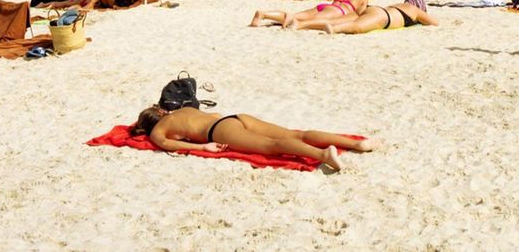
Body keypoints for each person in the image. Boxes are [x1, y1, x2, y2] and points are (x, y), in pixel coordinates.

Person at [131, 105, 379, 173]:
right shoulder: (182, 111)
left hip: (217, 131)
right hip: (234, 116)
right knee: (296, 133)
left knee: (271, 147)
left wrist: (204, 146)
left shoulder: (156, 131)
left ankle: (323, 155)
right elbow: (214, 113)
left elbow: (168, 144)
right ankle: (357, 144)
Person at [316, 0, 439, 34]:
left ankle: (306, 24)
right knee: (356, 27)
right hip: (383, 17)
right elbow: (434, 22)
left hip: (375, 9)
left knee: (343, 20)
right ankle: (334, 29)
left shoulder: (400, 5)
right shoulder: (415, 10)